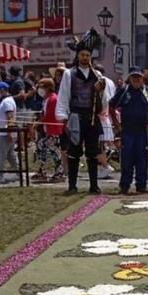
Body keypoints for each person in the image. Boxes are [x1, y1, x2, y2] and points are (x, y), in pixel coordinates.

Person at [57, 30, 109, 195]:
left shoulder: (98, 75)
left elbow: (104, 100)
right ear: (78, 56)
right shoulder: (69, 74)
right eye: (83, 55)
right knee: (74, 152)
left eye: (88, 55)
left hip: (92, 116)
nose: (85, 57)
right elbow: (64, 96)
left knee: (93, 152)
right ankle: (72, 185)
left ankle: (94, 185)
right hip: (76, 116)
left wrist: (100, 90)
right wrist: (63, 118)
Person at [113, 66, 148, 194]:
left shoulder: (147, 92)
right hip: (127, 131)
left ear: (142, 78)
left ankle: (141, 185)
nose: (136, 79)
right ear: (129, 78)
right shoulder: (124, 91)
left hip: (142, 132)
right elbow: (111, 106)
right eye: (133, 77)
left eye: (138, 77)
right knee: (127, 159)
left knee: (142, 159)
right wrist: (117, 125)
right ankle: (124, 186)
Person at [32, 77, 63, 182]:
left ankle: (59, 173)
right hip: (48, 129)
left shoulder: (53, 99)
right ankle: (42, 171)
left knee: (53, 149)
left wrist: (39, 122)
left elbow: (50, 115)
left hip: (54, 129)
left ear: (48, 87)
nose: (40, 90)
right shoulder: (46, 99)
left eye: (42, 87)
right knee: (42, 147)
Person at [0, 81, 20, 184]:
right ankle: (18, 173)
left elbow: (10, 117)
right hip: (7, 132)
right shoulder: (8, 101)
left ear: (2, 90)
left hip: (5, 133)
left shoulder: (7, 102)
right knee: (10, 155)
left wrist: (9, 133)